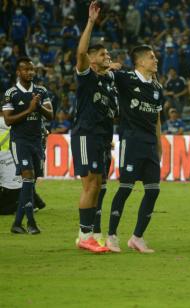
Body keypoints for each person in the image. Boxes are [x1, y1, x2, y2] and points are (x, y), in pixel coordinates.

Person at [106, 45, 163, 253]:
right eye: (152, 57)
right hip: (131, 142)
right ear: (140, 62)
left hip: (149, 145)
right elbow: (102, 73)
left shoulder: (157, 88)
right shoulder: (126, 78)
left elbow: (157, 119)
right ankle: (111, 236)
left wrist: (159, 144)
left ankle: (137, 238)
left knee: (153, 191)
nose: (155, 60)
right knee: (125, 188)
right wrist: (109, 67)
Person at [72, 1, 117, 253]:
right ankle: (84, 235)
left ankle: (87, 234)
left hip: (101, 138)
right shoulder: (87, 78)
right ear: (91, 60)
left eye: (107, 54)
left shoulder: (107, 83)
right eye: (101, 54)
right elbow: (80, 54)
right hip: (86, 136)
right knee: (90, 185)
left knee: (98, 186)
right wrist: (90, 22)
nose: (106, 56)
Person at [2, 57, 53, 234]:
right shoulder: (11, 93)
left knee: (30, 182)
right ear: (18, 72)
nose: (30, 72)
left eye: (32, 70)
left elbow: (50, 116)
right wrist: (29, 110)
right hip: (20, 141)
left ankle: (17, 223)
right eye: (26, 70)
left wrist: (38, 107)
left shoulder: (41, 91)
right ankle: (31, 222)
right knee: (28, 177)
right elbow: (8, 120)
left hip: (37, 142)